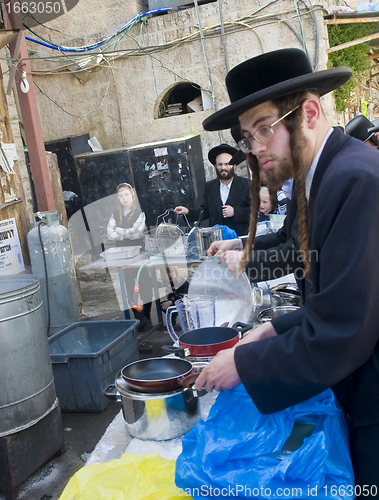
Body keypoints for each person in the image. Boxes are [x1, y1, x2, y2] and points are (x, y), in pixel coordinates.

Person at [196, 47, 379, 491]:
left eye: (264, 129)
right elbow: (347, 295)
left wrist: (244, 361)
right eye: (246, 137)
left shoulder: (353, 178)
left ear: (310, 113)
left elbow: (346, 330)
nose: (255, 151)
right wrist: (272, 331)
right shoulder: (328, 174)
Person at [174, 144, 251, 236]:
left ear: (234, 166)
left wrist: (235, 211)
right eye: (220, 164)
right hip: (217, 238)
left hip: (240, 237)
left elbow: (256, 212)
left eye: (227, 164)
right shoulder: (210, 186)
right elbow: (205, 211)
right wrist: (188, 212)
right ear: (215, 166)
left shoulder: (247, 185)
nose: (223, 168)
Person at [107, 183, 152, 330]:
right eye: (121, 196)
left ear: (132, 195)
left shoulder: (139, 212)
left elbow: (138, 233)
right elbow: (110, 233)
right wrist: (128, 233)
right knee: (129, 288)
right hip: (123, 256)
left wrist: (120, 231)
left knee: (145, 285)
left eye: (126, 194)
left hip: (139, 254)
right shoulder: (115, 214)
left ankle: (148, 315)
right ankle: (139, 316)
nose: (124, 198)